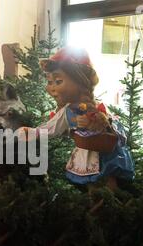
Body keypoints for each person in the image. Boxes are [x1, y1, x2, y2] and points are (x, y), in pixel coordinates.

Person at [19, 47, 134, 191]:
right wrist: (34, 133)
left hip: (105, 154)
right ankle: (99, 205)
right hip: (87, 154)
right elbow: (52, 128)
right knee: (92, 184)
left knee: (108, 182)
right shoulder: (68, 111)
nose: (52, 88)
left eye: (58, 81)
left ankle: (109, 206)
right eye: (50, 82)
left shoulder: (96, 107)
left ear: (81, 83)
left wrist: (97, 123)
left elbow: (114, 130)